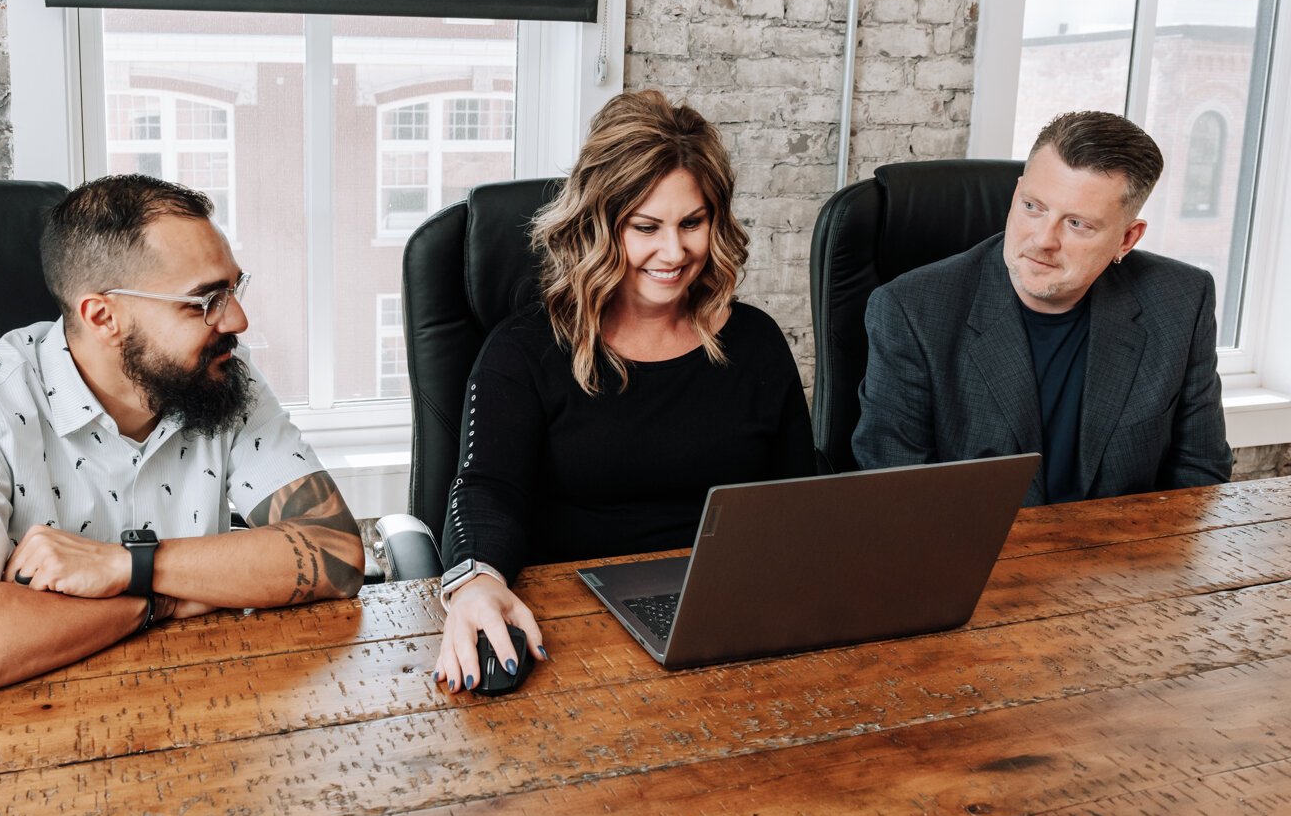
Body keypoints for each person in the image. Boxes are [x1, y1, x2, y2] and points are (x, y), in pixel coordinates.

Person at [0, 175, 365, 703]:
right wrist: (162, 598)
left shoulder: (222, 373)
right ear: (104, 316)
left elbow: (337, 552)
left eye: (233, 288)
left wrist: (128, 565)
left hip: (209, 702)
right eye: (204, 300)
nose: (237, 319)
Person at [431, 89, 816, 693]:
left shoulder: (758, 343)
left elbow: (798, 503)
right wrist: (478, 582)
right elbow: (484, 491)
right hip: (574, 636)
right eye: (646, 227)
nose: (674, 251)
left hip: (731, 629)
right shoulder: (523, 351)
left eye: (693, 222)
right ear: (598, 223)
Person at [853, 110, 1231, 505]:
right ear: (1017, 193)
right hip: (978, 559)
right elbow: (897, 496)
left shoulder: (1182, 300)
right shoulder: (911, 311)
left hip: (1128, 555)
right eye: (1033, 206)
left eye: (1077, 224)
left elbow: (1200, 478)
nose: (1043, 240)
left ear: (1127, 239)